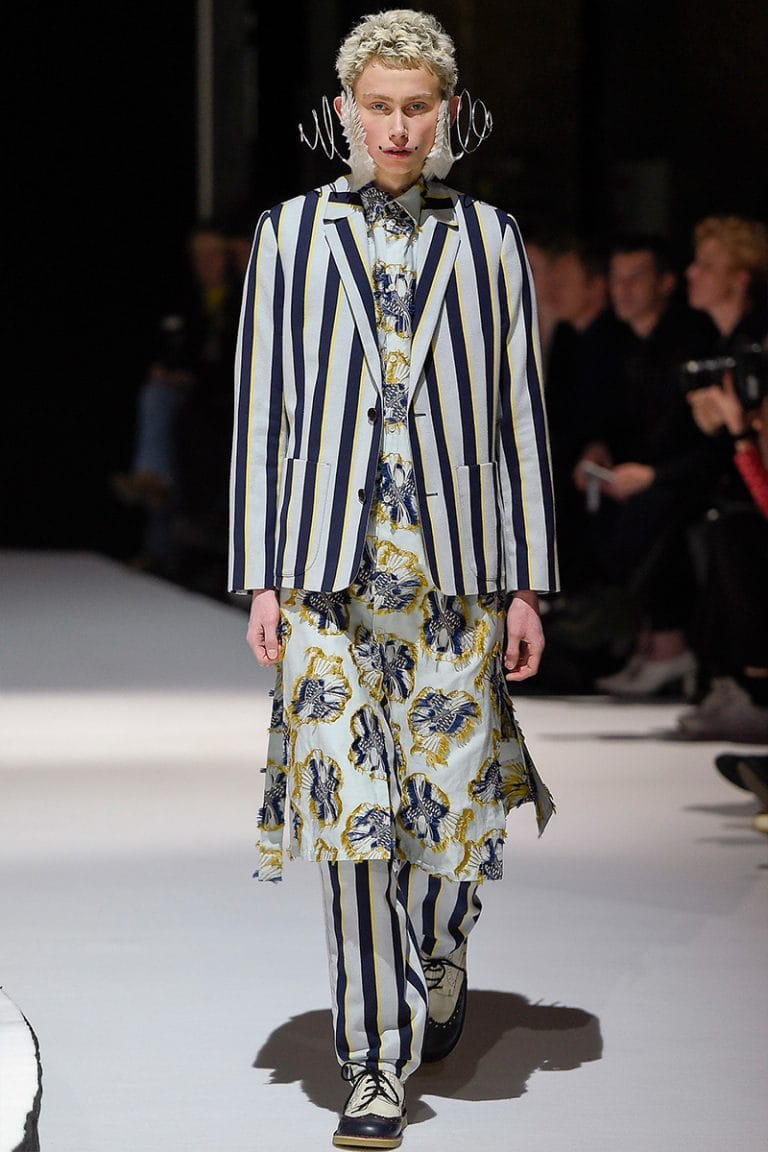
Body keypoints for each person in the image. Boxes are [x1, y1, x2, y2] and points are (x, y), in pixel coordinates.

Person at [229, 10, 558, 1148]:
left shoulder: (493, 237)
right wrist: (261, 575)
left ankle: (441, 949)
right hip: (327, 574)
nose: (399, 127)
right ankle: (374, 1062)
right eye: (379, 106)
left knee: (449, 810)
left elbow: (519, 416)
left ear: (447, 111)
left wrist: (528, 582)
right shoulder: (288, 234)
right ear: (347, 110)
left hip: (458, 576)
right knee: (353, 821)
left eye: (418, 107)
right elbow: (262, 410)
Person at [573, 234, 718, 696]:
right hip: (636, 475)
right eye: (617, 278)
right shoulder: (615, 343)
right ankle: (649, 638)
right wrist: (596, 449)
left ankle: (669, 642)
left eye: (636, 278)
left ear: (665, 283)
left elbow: (706, 444)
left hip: (693, 474)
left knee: (656, 510)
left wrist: (652, 475)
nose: (624, 289)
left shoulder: (693, 342)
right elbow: (609, 420)